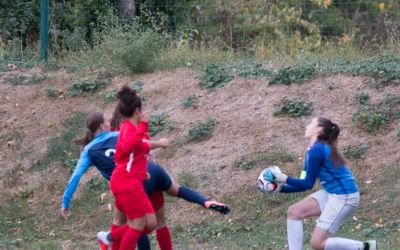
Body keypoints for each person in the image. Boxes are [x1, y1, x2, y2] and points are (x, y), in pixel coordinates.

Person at [60, 112, 229, 248]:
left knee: (131, 224)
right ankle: (205, 202)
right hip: (152, 172)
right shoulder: (118, 135)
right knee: (166, 209)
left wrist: (66, 202)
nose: (109, 122)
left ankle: (108, 238)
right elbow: (143, 144)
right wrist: (160, 143)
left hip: (129, 185)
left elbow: (76, 176)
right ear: (100, 126)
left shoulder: (89, 150)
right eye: (106, 120)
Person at [267, 117, 376, 250]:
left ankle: (366, 247)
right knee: (294, 212)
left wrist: (282, 178)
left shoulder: (317, 149)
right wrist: (277, 188)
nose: (307, 126)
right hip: (333, 193)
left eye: (310, 124)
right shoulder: (312, 150)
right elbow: (304, 183)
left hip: (344, 196)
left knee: (317, 243)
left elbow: (307, 184)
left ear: (318, 129)